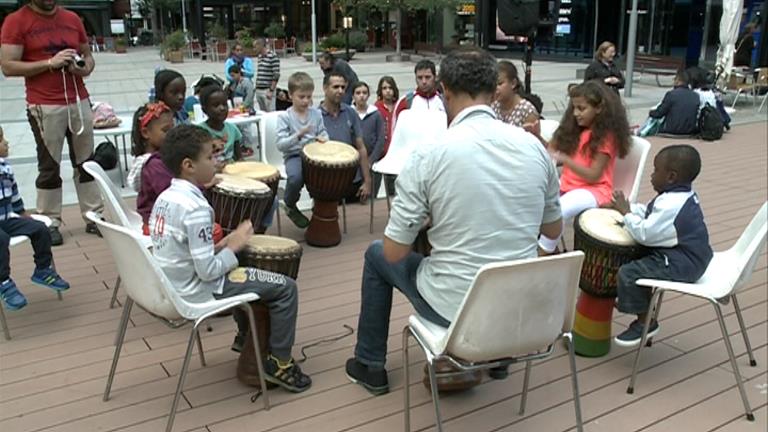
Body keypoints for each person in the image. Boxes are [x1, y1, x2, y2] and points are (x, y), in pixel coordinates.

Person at [344, 48, 562, 395]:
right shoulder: (535, 148)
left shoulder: (430, 155)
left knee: (375, 255)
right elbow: (552, 231)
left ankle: (370, 365)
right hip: (521, 313)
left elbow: (395, 251)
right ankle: (498, 361)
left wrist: (429, 217)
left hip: (457, 311)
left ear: (444, 89)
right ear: (494, 90)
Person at [150, 125, 311, 392]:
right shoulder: (197, 208)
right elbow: (208, 272)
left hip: (172, 284)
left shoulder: (166, 198)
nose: (216, 161)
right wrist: (233, 246)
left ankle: (245, 336)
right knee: (286, 288)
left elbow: (185, 252)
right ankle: (280, 363)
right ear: (189, 165)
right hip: (198, 291)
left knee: (250, 268)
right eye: (210, 157)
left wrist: (220, 245)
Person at [0, 0, 104, 246]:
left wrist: (83, 67)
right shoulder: (16, 21)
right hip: (43, 104)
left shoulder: (72, 18)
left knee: (87, 162)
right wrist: (49, 63)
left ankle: (94, 216)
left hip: (79, 100)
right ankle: (50, 220)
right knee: (49, 164)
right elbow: (7, 66)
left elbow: (87, 56)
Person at [612, 144, 712, 346]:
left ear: (671, 177)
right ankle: (634, 299)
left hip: (684, 264)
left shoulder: (671, 205)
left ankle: (645, 323)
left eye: (656, 170)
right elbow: (651, 214)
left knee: (629, 273)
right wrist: (630, 209)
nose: (651, 175)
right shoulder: (677, 196)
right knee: (634, 256)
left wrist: (626, 214)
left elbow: (645, 234)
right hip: (686, 256)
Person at [537, 81, 631, 254]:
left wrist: (566, 159)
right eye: (574, 108)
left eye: (581, 109)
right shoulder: (575, 130)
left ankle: (540, 254)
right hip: (568, 186)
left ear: (599, 108)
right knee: (535, 201)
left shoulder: (605, 137)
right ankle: (549, 251)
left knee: (559, 210)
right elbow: (551, 152)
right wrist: (536, 136)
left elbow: (593, 176)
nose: (575, 114)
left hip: (594, 190)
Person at [0, 126, 70, 311]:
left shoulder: (5, 168)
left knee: (39, 228)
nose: (6, 142)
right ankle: (4, 283)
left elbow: (14, 194)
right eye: (1, 140)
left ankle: (43, 269)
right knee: (2, 239)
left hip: (6, 218)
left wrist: (23, 214)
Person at [276, 72, 329, 228]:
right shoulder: (285, 117)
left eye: (309, 96)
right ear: (291, 95)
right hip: (294, 155)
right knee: (295, 177)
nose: (306, 101)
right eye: (301, 97)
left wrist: (324, 138)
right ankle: (290, 204)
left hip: (315, 154)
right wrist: (298, 135)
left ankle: (321, 209)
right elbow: (280, 144)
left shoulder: (316, 114)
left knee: (327, 177)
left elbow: (323, 132)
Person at [320, 72, 373, 204]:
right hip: (327, 182)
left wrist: (367, 181)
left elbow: (361, 148)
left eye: (343, 87)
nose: (340, 91)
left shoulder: (351, 113)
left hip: (352, 179)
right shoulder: (316, 116)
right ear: (325, 88)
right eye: (336, 87)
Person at [127, 102, 174, 193]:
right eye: (166, 130)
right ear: (145, 133)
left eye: (173, 128)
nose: (172, 134)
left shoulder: (162, 156)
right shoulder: (152, 164)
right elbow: (170, 193)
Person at [352, 81, 386, 198]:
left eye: (364, 93)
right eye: (358, 93)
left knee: (370, 196)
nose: (361, 95)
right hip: (353, 163)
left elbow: (380, 139)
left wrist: (371, 160)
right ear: (353, 96)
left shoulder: (375, 114)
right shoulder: (349, 113)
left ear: (368, 95)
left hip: (372, 162)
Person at [392, 59, 445, 129]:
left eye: (427, 77)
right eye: (420, 78)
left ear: (435, 77)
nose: (424, 81)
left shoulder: (444, 102)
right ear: (415, 78)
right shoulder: (405, 102)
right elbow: (395, 132)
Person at [197, 85, 243, 164]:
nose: (222, 108)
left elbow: (239, 157)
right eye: (216, 105)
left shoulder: (232, 129)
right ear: (204, 110)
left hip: (231, 172)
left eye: (224, 104)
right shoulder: (198, 131)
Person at [647, 70, 700, 136]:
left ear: (678, 80)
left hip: (672, 130)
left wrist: (650, 112)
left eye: (674, 79)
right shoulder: (695, 96)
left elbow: (659, 113)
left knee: (652, 122)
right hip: (689, 131)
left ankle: (641, 133)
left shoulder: (671, 94)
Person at [491, 60, 539, 127]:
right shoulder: (492, 106)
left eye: (500, 84)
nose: (495, 88)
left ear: (513, 83)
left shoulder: (527, 111)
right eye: (493, 84)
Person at [373, 76, 399, 197]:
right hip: (379, 154)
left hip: (394, 153)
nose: (387, 91)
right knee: (373, 189)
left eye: (390, 88)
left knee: (393, 191)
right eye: (384, 88)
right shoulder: (376, 108)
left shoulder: (399, 107)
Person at [253, 38, 280, 112]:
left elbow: (276, 75)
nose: (254, 49)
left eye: (255, 47)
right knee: (263, 113)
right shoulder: (259, 57)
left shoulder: (272, 56)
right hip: (259, 89)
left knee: (270, 113)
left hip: (267, 89)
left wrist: (271, 90)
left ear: (261, 45)